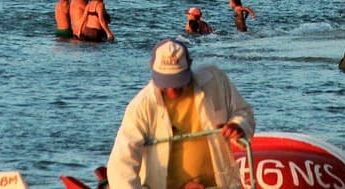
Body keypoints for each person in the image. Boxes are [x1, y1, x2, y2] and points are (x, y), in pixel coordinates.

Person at [106, 38, 254, 189]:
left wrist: (238, 125)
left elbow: (244, 112)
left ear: (189, 66)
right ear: (153, 71)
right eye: (166, 83)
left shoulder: (215, 79)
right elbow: (122, 165)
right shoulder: (141, 106)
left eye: (177, 82)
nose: (172, 90)